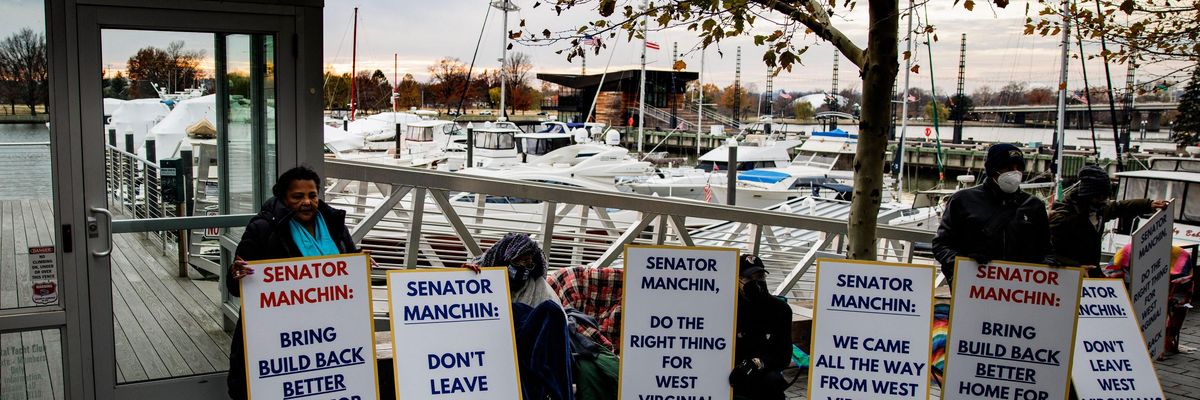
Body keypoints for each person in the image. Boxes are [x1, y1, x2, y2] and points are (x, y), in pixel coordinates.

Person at [225, 166, 358, 400]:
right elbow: (236, 286)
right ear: (283, 198)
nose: (307, 202)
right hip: (278, 337)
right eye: (298, 197)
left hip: (329, 333)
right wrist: (236, 274)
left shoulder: (334, 223)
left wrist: (359, 263)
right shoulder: (263, 228)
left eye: (312, 195)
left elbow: (348, 266)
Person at [466, 233, 575, 400]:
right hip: (494, 345)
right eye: (519, 261)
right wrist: (462, 279)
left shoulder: (538, 286)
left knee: (550, 310)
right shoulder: (482, 276)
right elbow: (463, 312)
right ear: (504, 259)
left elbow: (556, 328)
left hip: (528, 353)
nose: (524, 267)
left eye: (529, 262)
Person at [932, 143, 1051, 281]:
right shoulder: (962, 201)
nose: (1015, 173)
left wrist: (1049, 263)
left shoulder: (1034, 206)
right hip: (973, 288)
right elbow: (941, 244)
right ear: (993, 169)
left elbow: (1046, 249)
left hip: (1019, 290)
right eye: (1008, 168)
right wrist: (963, 263)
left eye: (1019, 168)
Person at [1049, 165, 1168, 275]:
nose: (1104, 201)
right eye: (1100, 197)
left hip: (1093, 273)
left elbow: (1119, 207)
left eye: (1106, 197)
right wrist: (1076, 266)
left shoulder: (1099, 210)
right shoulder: (1062, 218)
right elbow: (1048, 252)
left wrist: (1148, 204)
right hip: (1070, 275)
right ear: (1088, 196)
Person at [729, 254, 792, 400]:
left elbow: (783, 356)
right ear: (737, 280)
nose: (757, 282)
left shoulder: (780, 309)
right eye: (749, 278)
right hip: (732, 373)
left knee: (773, 382)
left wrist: (757, 363)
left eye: (760, 276)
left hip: (764, 372)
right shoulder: (729, 308)